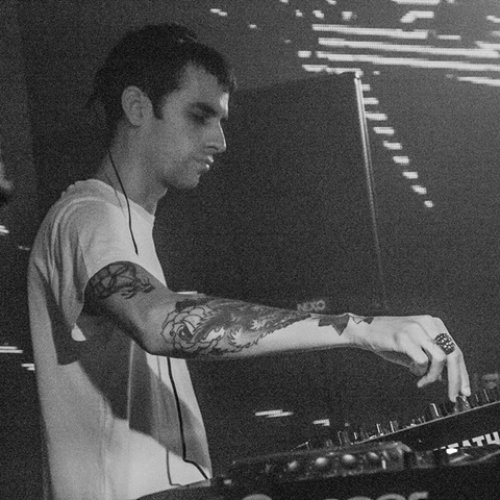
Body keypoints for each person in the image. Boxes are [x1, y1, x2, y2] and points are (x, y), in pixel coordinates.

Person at [27, 23, 470, 500]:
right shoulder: (87, 216)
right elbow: (160, 322)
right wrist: (355, 328)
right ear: (137, 106)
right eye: (200, 116)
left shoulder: (127, 225)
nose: (219, 141)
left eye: (220, 120)